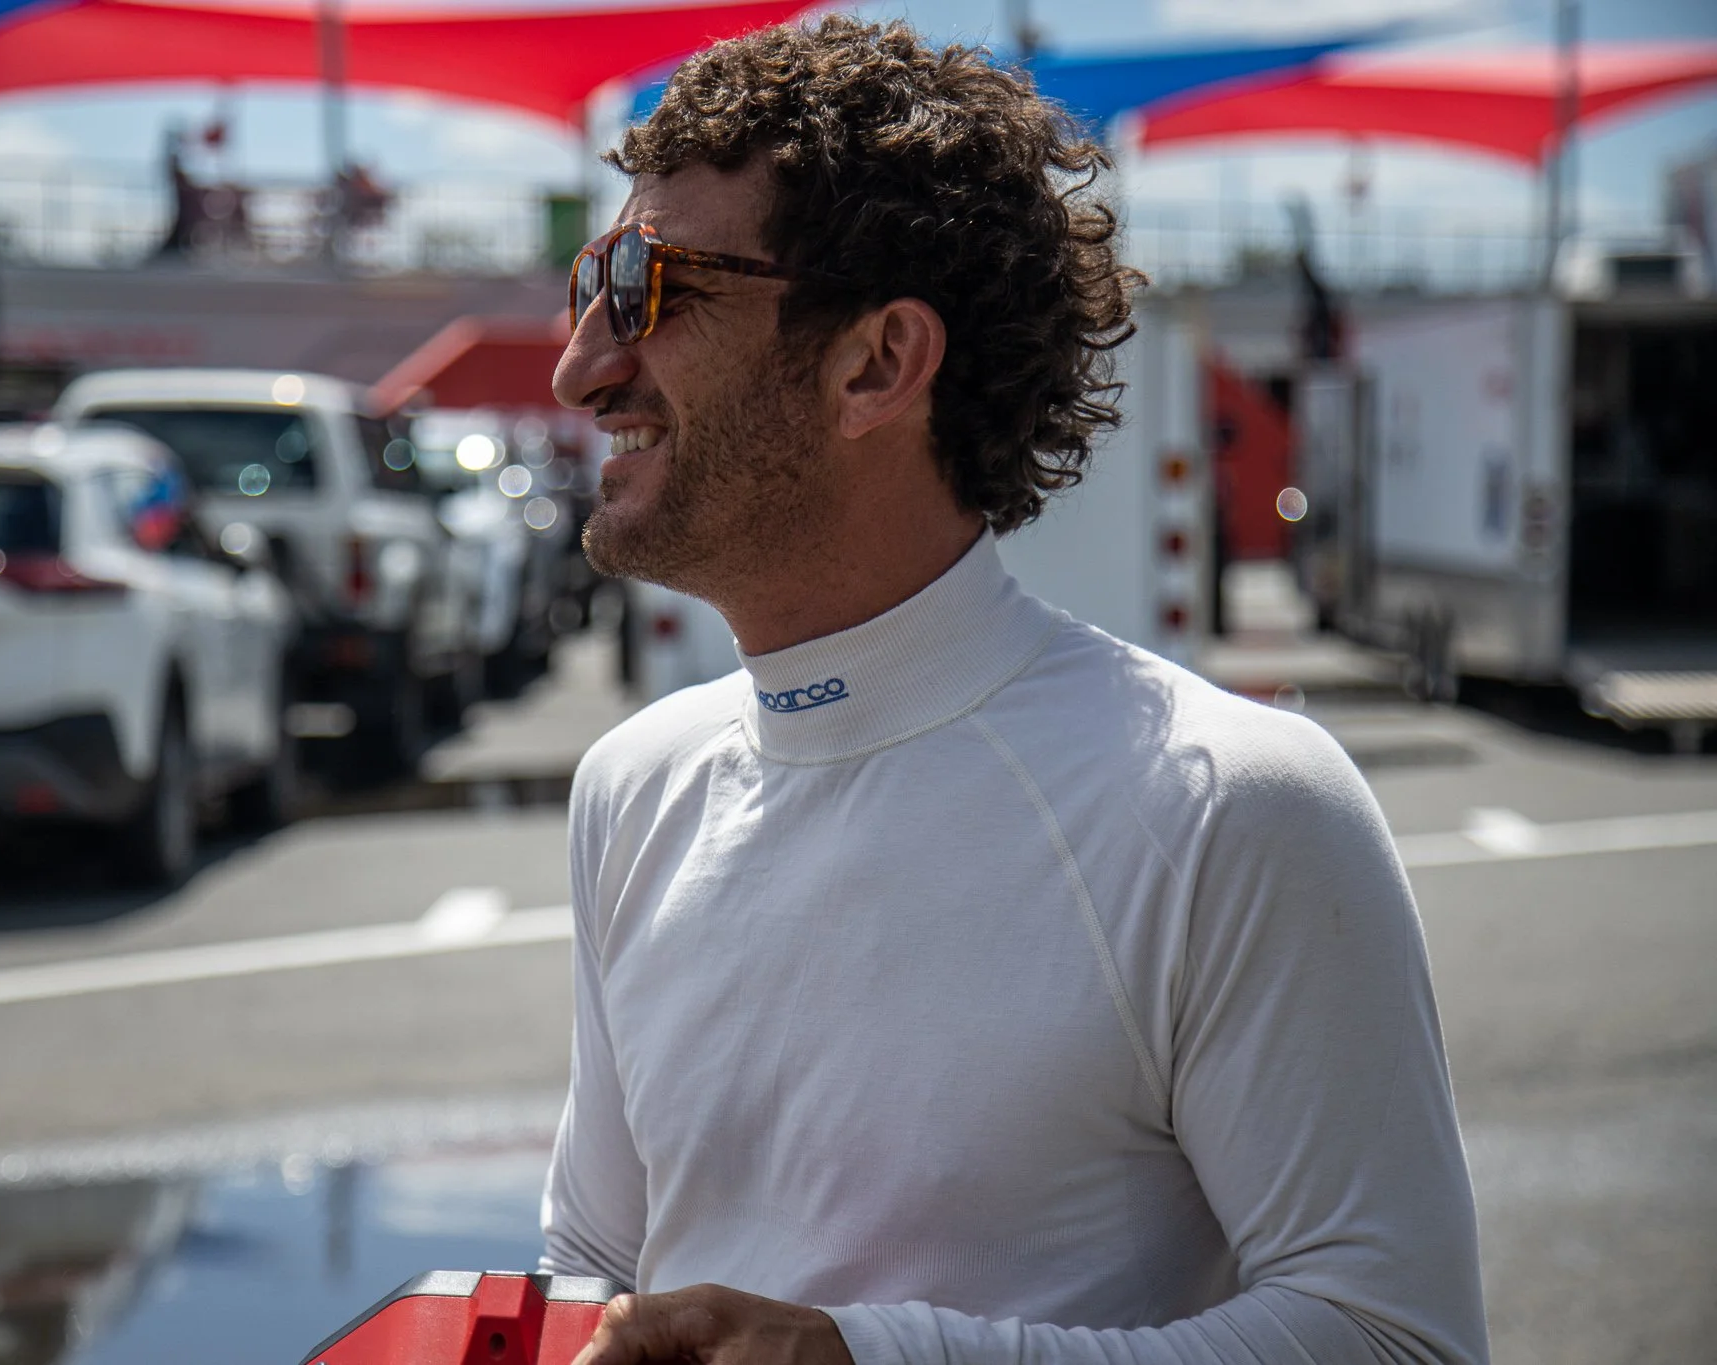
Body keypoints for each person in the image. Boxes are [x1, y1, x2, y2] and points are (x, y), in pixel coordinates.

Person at [539, 16, 1487, 1365]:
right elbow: (593, 1262)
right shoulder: (632, 789)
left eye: (646, 285)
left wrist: (873, 1356)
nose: (582, 362)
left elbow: (1400, 1340)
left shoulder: (1234, 805)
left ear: (877, 363)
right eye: (593, 277)